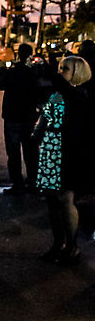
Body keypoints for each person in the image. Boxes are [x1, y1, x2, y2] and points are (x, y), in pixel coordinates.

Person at [36, 54, 93, 264]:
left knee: (65, 198)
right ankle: (57, 244)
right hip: (51, 149)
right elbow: (45, 118)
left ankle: (72, 246)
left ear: (77, 73)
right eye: (59, 68)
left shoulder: (80, 94)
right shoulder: (57, 94)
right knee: (51, 200)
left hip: (69, 151)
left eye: (64, 69)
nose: (60, 72)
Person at [0, 43, 39, 193]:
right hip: (28, 116)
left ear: (17, 54)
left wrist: (3, 71)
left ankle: (17, 183)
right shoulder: (33, 71)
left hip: (12, 116)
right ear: (30, 54)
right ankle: (33, 181)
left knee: (13, 152)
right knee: (31, 150)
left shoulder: (11, 71)